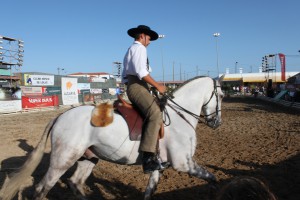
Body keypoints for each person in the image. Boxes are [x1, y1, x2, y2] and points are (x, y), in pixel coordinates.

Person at [122, 25, 166, 174]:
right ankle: (148, 158)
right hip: (137, 86)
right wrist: (158, 86)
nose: (150, 41)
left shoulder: (130, 50)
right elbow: (141, 72)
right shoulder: (140, 48)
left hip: (136, 85)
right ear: (142, 36)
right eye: (149, 38)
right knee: (155, 113)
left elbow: (125, 76)